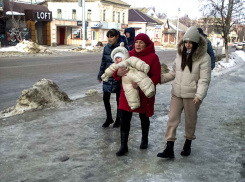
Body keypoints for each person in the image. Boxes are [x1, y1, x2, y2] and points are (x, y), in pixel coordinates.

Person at [157, 26, 211, 159]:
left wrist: (199, 95)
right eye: (185, 42)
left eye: (190, 42)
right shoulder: (180, 54)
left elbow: (204, 79)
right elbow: (174, 72)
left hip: (192, 96)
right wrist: (161, 78)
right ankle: (169, 148)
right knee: (172, 119)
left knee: (190, 121)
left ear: (196, 43)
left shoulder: (204, 58)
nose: (187, 45)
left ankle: (188, 142)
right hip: (177, 93)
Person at [113, 33, 161, 156]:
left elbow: (156, 76)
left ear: (146, 44)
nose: (138, 44)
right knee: (124, 119)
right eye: (136, 42)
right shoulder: (129, 55)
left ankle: (144, 139)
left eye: (141, 42)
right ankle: (123, 146)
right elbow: (116, 72)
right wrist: (118, 73)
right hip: (127, 92)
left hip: (144, 93)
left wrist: (141, 84)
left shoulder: (153, 57)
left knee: (144, 118)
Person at [101, 42, 155, 110]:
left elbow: (137, 62)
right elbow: (111, 69)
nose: (117, 60)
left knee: (142, 80)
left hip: (134, 73)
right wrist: (106, 75)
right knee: (130, 92)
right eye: (116, 59)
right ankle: (134, 104)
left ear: (123, 57)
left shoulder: (129, 59)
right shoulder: (116, 65)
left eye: (118, 58)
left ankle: (149, 91)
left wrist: (144, 67)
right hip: (126, 81)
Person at [98, 29, 128, 128]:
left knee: (119, 100)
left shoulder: (123, 48)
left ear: (117, 37)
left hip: (119, 77)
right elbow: (103, 62)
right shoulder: (106, 48)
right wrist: (100, 75)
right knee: (105, 98)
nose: (110, 39)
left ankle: (118, 119)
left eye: (112, 36)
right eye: (108, 36)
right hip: (108, 75)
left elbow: (127, 62)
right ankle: (109, 118)